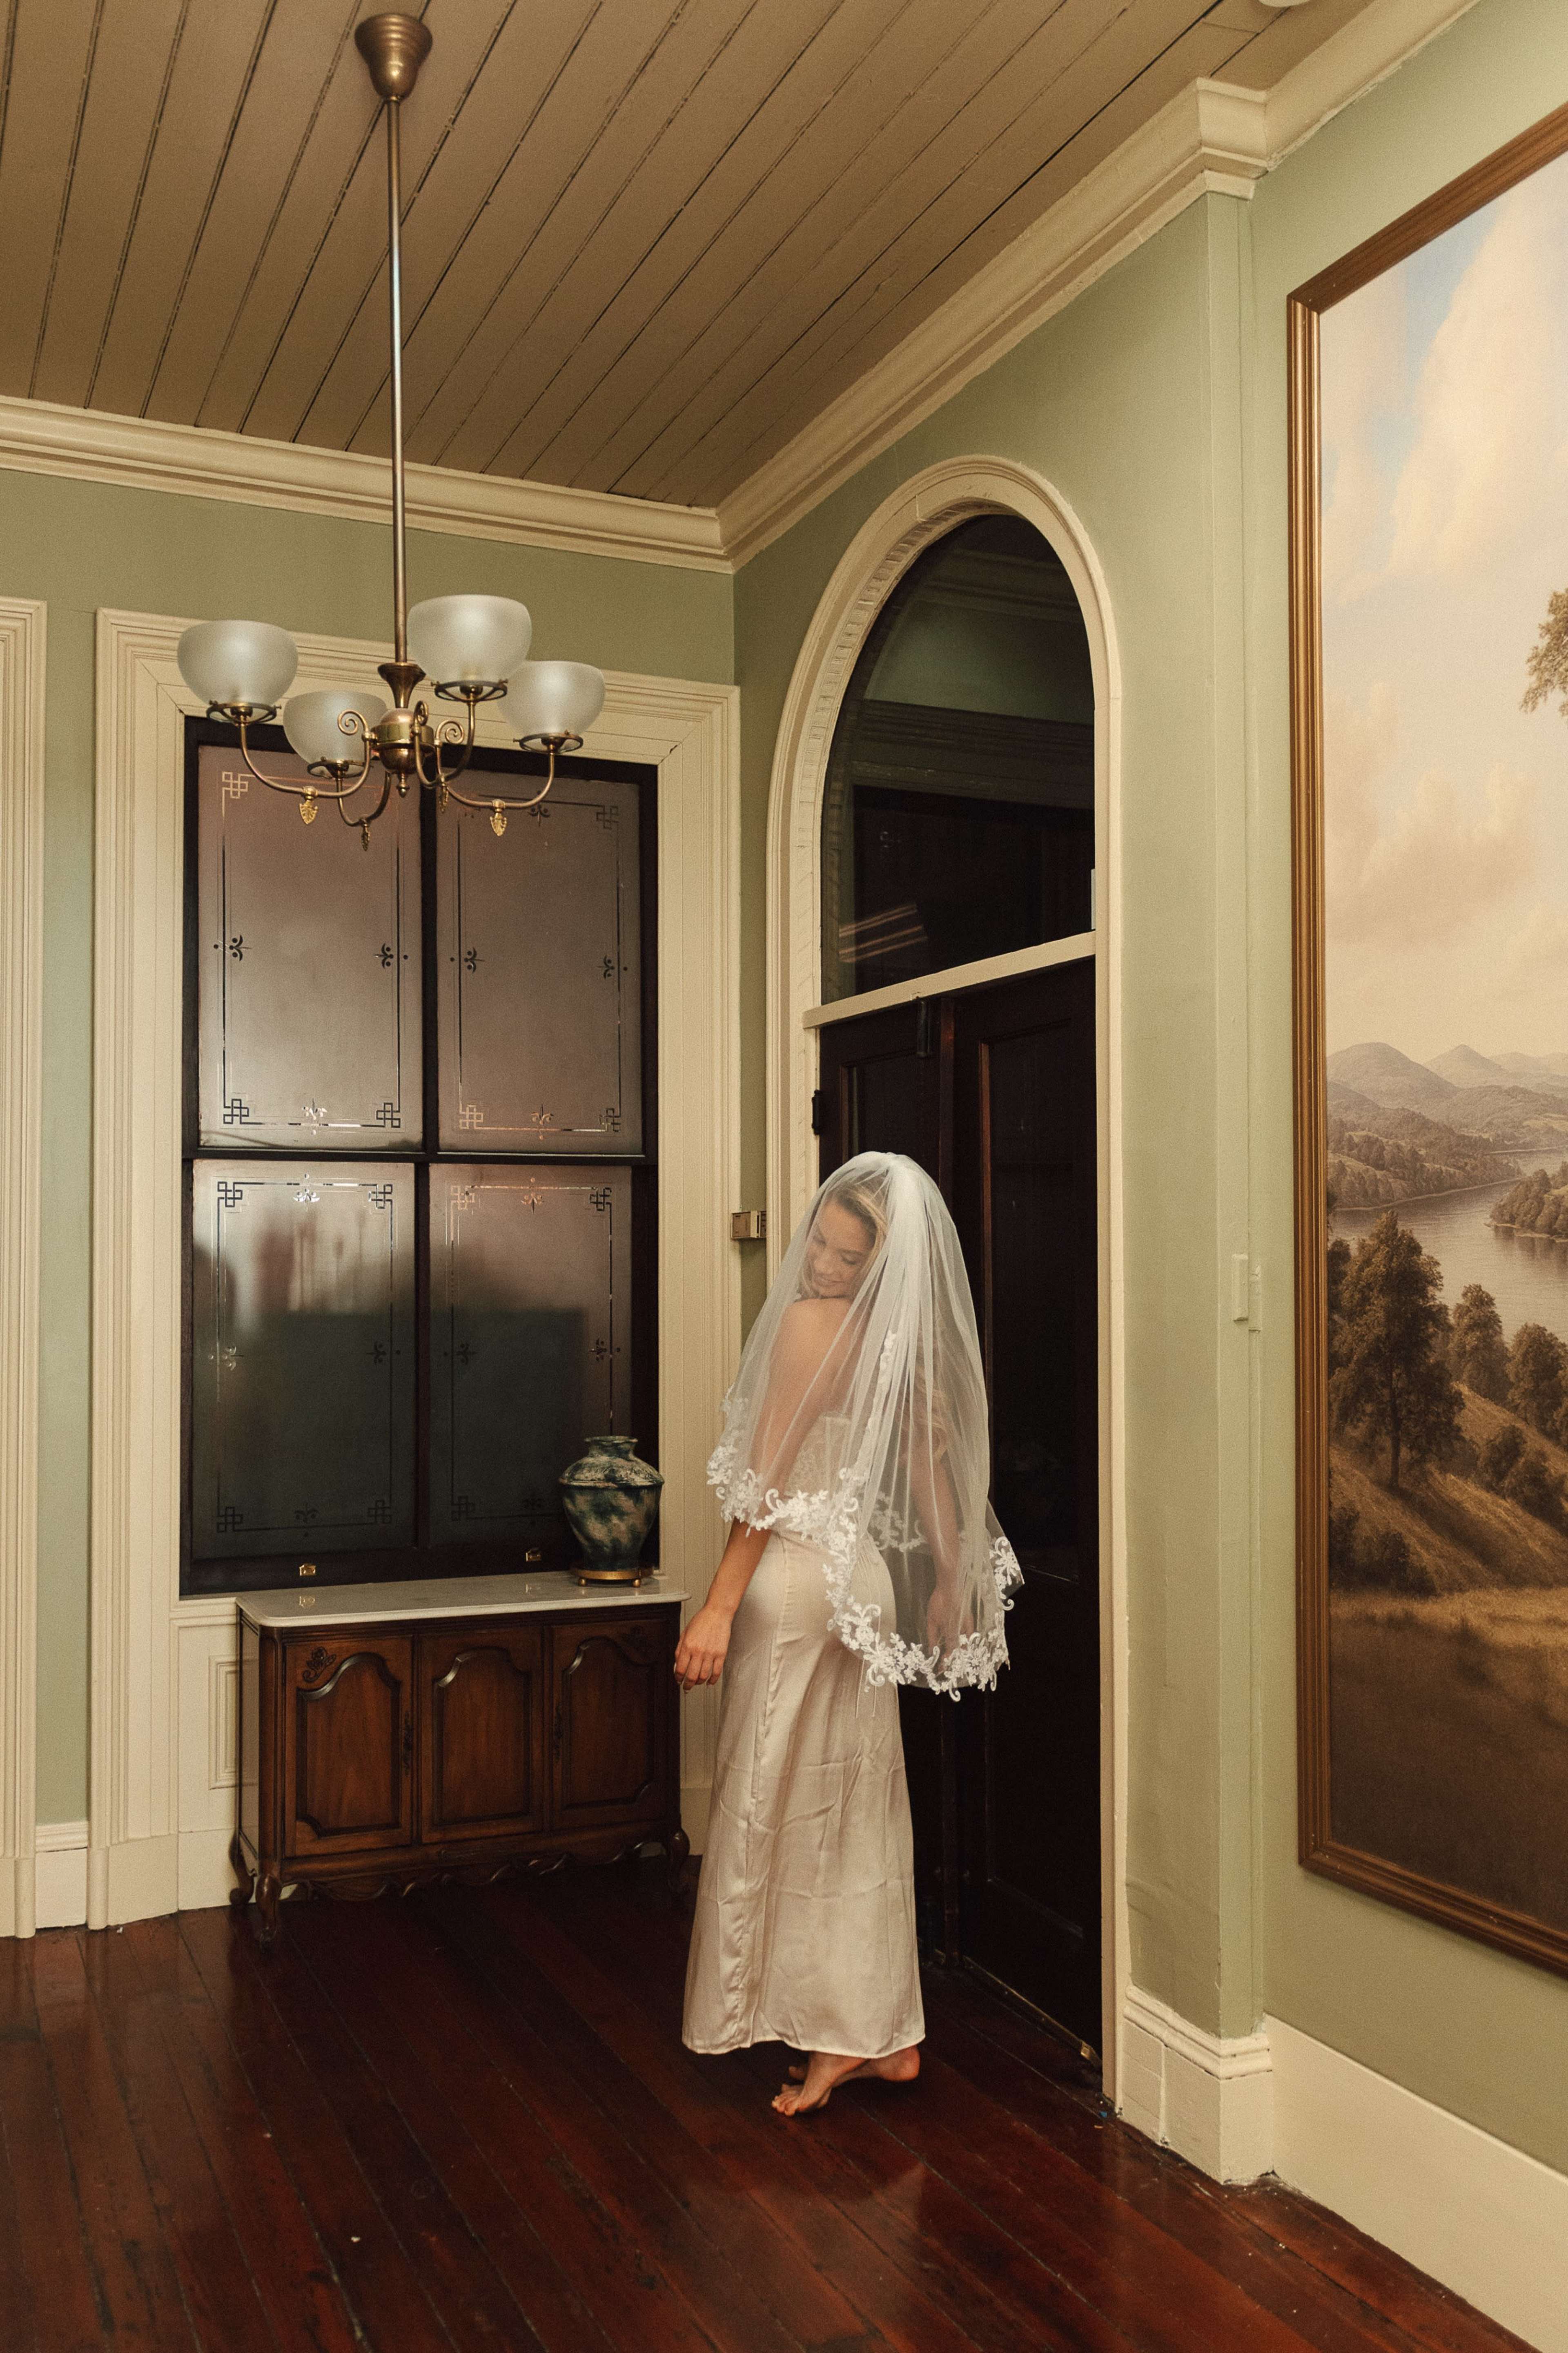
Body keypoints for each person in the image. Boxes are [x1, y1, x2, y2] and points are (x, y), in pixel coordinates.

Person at [675, 1151, 1020, 2116]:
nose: (822, 1266)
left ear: (878, 1265)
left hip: (791, 1583)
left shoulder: (805, 1328)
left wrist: (716, 1603)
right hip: (858, 1586)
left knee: (766, 1802)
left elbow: (771, 1481)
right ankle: (881, 2037)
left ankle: (817, 2021)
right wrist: (948, 1574)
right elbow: (921, 1466)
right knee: (855, 1808)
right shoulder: (896, 1338)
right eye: (819, 1245)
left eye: (845, 1257)